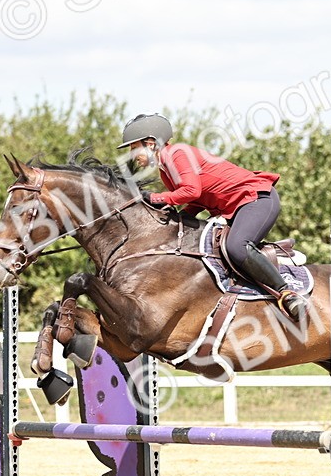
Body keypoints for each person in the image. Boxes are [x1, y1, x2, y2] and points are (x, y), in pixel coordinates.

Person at [117, 113, 308, 322]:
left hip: (256, 199)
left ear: (150, 143)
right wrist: (179, 218)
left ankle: (286, 293)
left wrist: (154, 198)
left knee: (237, 247)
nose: (132, 155)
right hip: (236, 208)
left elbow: (191, 191)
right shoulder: (165, 170)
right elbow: (197, 201)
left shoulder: (176, 154)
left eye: (134, 148)